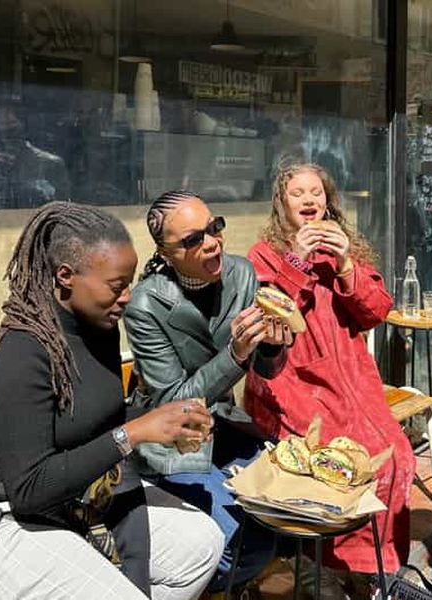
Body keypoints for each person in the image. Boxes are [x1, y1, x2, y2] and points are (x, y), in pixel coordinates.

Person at [0, 201, 225, 599]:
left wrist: (163, 418)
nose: (128, 297)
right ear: (66, 276)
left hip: (77, 500)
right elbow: (29, 489)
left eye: (129, 282)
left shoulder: (98, 324)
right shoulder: (21, 349)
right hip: (2, 514)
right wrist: (132, 434)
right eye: (117, 286)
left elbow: (95, 416)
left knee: (203, 544)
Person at [242, 162, 416, 593]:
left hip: (354, 383)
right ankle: (332, 568)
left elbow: (375, 311)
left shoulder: (345, 248)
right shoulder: (263, 253)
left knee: (397, 457)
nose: (308, 200)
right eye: (297, 192)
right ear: (282, 202)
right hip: (294, 385)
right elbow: (269, 314)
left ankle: (377, 567)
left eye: (316, 192)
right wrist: (297, 260)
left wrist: (343, 266)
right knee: (341, 469)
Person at [122, 190, 290, 592]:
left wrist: (272, 345)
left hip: (227, 427)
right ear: (165, 252)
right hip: (173, 443)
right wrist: (235, 354)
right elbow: (172, 403)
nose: (212, 242)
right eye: (193, 239)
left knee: (282, 519)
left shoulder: (242, 274)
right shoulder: (144, 305)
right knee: (232, 542)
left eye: (214, 228)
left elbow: (266, 369)